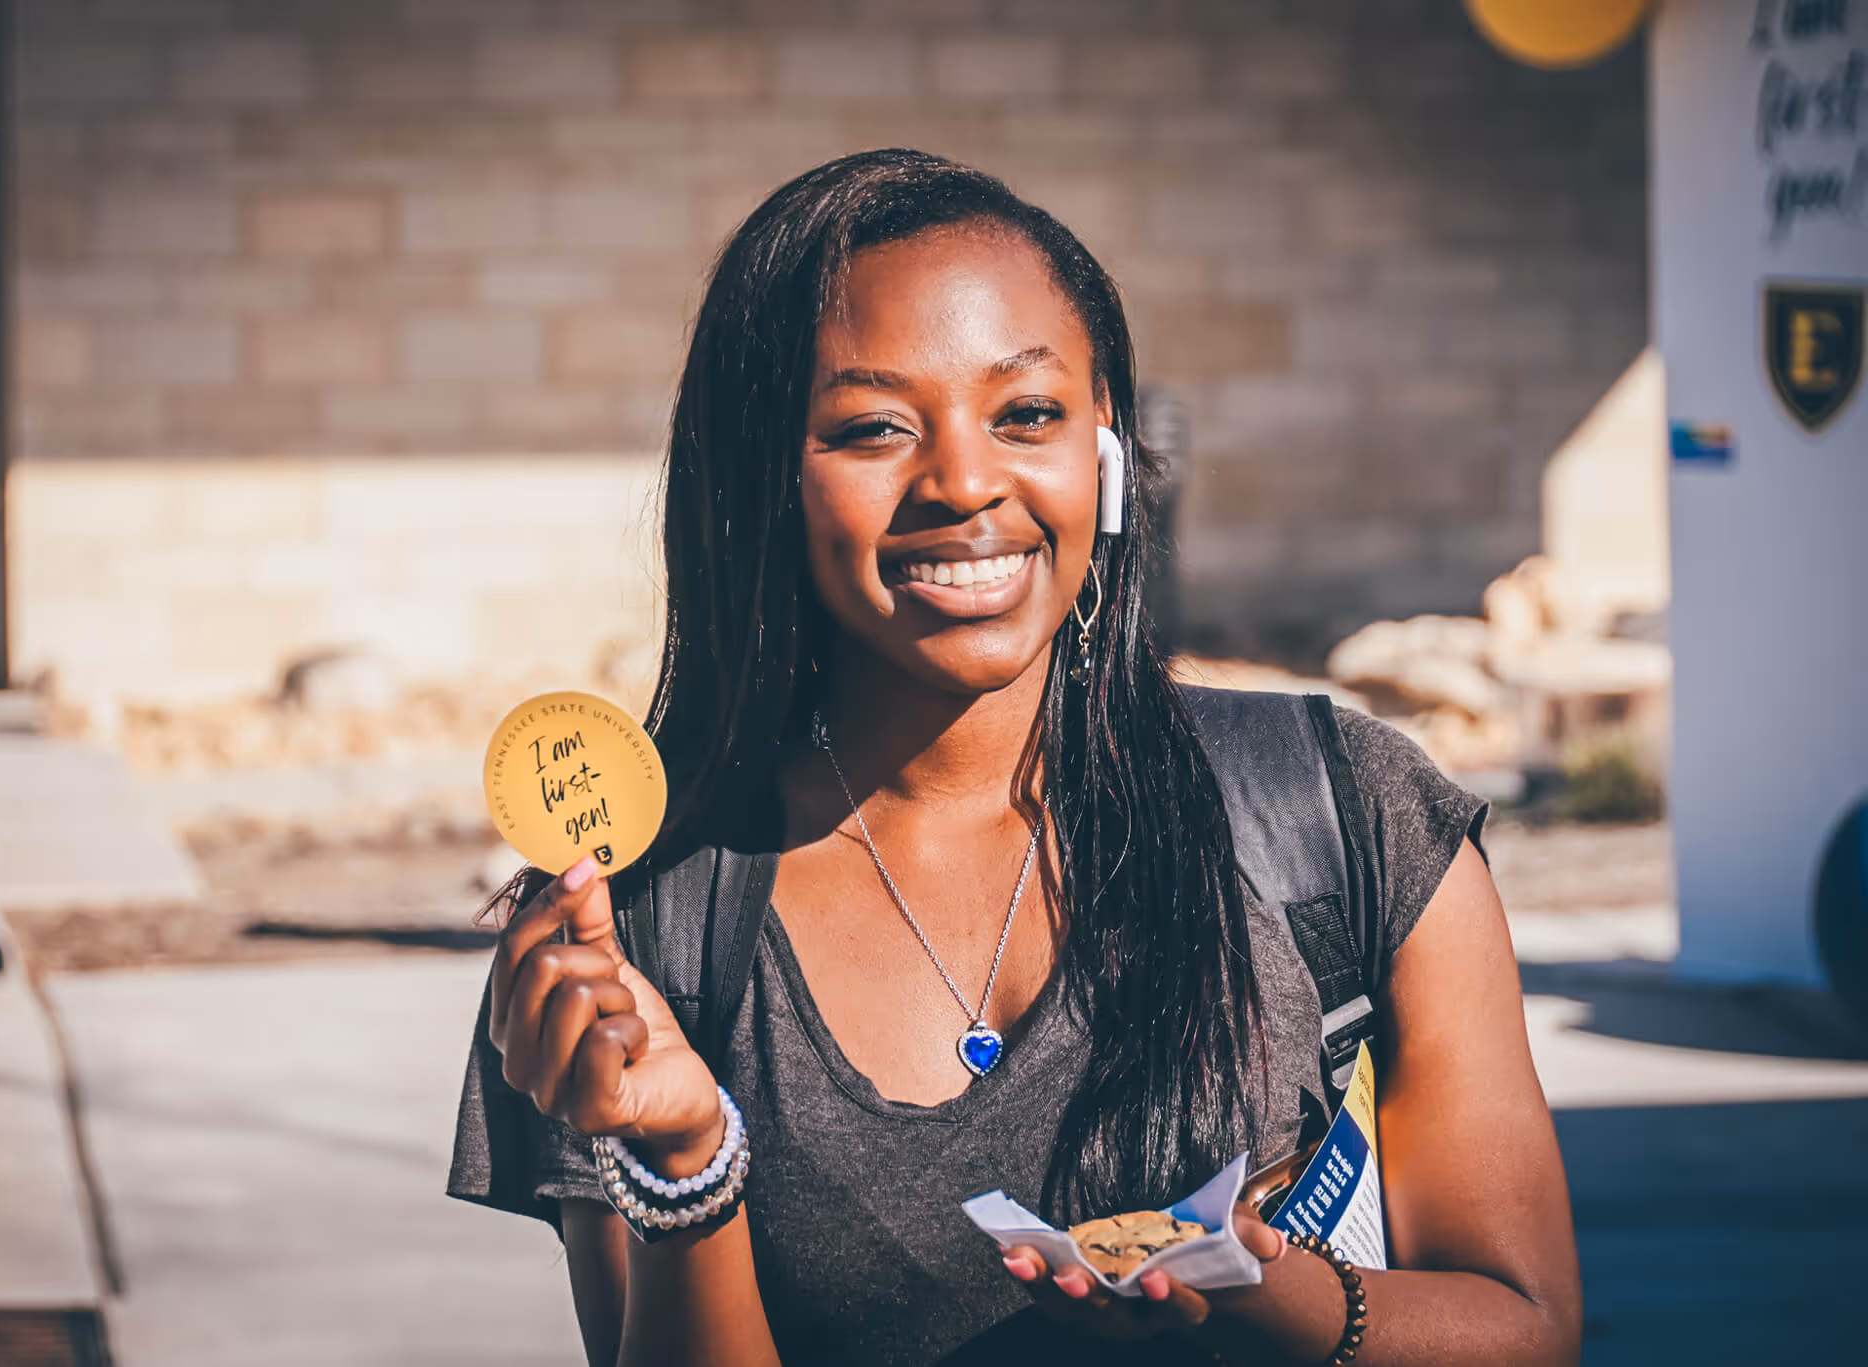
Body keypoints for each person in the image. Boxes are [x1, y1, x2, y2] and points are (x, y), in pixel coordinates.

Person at [449, 149, 1580, 1367]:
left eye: (1025, 412)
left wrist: (1270, 1296)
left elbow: (1523, 1327)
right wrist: (686, 1163)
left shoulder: (1341, 811)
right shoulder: (635, 935)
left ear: (1104, 449)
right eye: (872, 427)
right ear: (761, 482)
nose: (964, 481)